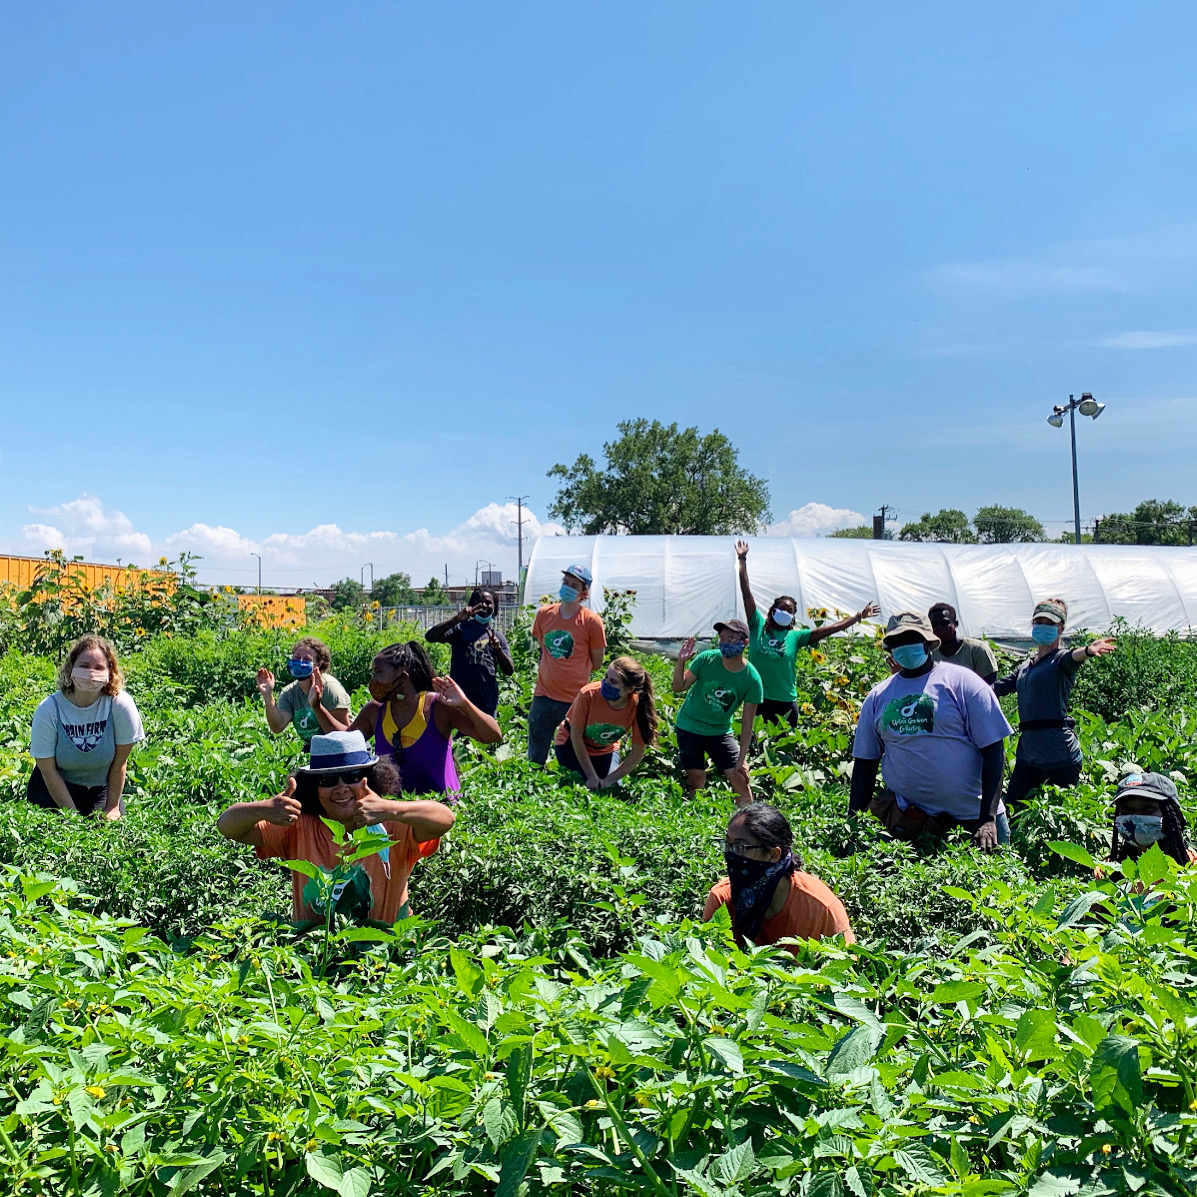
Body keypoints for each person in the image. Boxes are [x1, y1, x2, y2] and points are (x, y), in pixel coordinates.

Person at [216, 731, 455, 923]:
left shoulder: (392, 822)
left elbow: (445, 818)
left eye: (352, 776)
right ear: (313, 788)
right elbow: (227, 826)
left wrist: (390, 809)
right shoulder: (300, 825)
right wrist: (264, 808)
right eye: (328, 781)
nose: (341, 788)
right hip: (315, 956)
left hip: (386, 958)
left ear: (370, 778)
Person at [848, 612, 1013, 849]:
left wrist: (987, 820)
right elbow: (865, 763)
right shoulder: (878, 696)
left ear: (928, 642)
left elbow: (994, 751)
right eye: (897, 641)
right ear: (889, 648)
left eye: (912, 638)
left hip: (975, 823)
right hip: (912, 823)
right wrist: (854, 823)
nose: (905, 646)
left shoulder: (964, 683)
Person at [735, 541, 879, 727]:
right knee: (753, 748)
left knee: (784, 750)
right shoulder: (757, 625)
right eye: (782, 609)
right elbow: (746, 592)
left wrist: (859, 617)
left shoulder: (796, 637)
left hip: (785, 702)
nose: (785, 613)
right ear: (772, 610)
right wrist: (742, 559)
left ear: (793, 617)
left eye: (790, 611)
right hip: (758, 699)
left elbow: (831, 628)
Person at [994, 598, 1116, 813]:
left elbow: (1073, 657)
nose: (1043, 626)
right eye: (1039, 621)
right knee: (1014, 810)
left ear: (1061, 628)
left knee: (1064, 814)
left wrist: (1087, 650)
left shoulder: (1059, 661)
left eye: (1050, 623)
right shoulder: (1026, 666)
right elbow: (998, 688)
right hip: (1029, 754)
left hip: (1058, 755)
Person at [346, 640, 501, 800]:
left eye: (379, 672)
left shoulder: (438, 707)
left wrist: (464, 703)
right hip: (394, 813)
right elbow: (343, 746)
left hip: (442, 811)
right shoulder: (375, 711)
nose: (374, 680)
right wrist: (319, 707)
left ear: (403, 674)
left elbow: (492, 735)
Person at [704, 805, 855, 950]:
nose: (730, 855)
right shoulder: (722, 899)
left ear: (773, 854)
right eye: (727, 845)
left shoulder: (821, 907)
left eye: (739, 847)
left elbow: (846, 964)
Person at [28, 635, 145, 820]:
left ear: (110, 673)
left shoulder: (120, 705)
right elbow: (48, 770)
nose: (91, 673)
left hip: (102, 788)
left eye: (99, 668)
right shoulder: (49, 709)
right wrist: (72, 817)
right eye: (84, 666)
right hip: (54, 788)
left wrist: (112, 806)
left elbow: (120, 762)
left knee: (107, 832)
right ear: (71, 669)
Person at [673, 620, 763, 806]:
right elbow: (678, 687)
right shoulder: (707, 659)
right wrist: (681, 662)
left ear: (745, 643)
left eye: (731, 638)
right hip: (690, 726)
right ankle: (696, 822)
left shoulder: (752, 679)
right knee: (697, 781)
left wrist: (741, 759)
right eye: (722, 638)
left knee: (740, 779)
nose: (725, 642)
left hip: (720, 732)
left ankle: (747, 824)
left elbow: (747, 723)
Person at [528, 564, 606, 766]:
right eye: (566, 582)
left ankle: (567, 789)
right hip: (543, 695)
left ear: (584, 593)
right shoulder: (545, 614)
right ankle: (532, 787)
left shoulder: (592, 622)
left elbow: (597, 662)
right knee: (536, 751)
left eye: (574, 585)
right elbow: (542, 645)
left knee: (571, 751)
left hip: (573, 699)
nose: (567, 588)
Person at [553, 655, 658, 788]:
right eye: (606, 677)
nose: (606, 683)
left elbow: (636, 754)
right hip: (571, 746)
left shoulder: (638, 706)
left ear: (629, 689)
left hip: (605, 750)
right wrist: (591, 776)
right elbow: (576, 736)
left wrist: (608, 781)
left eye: (613, 682)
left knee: (613, 789)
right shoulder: (588, 694)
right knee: (579, 784)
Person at [424, 588, 514, 719]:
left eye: (488, 603)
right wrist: (457, 619)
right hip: (460, 697)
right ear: (472, 605)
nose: (484, 605)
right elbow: (430, 636)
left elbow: (509, 670)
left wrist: (498, 650)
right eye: (480, 602)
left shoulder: (497, 637)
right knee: (460, 737)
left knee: (485, 736)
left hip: (486, 699)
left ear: (494, 607)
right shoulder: (460, 629)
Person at [256, 637, 351, 748]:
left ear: (318, 664)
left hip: (342, 749)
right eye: (296, 658)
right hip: (315, 752)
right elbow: (278, 726)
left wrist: (317, 706)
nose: (300, 662)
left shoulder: (330, 688)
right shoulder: (289, 693)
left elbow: (345, 736)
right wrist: (268, 695)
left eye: (306, 659)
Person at [1107, 772, 1196, 869]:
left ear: (1172, 814)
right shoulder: (1107, 870)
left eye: (1148, 809)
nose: (1136, 816)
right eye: (1126, 810)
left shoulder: (1193, 869)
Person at [928, 603, 999, 685]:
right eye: (934, 624)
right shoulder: (928, 653)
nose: (939, 628)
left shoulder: (977, 650)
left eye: (945, 623)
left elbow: (990, 687)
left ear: (955, 624)